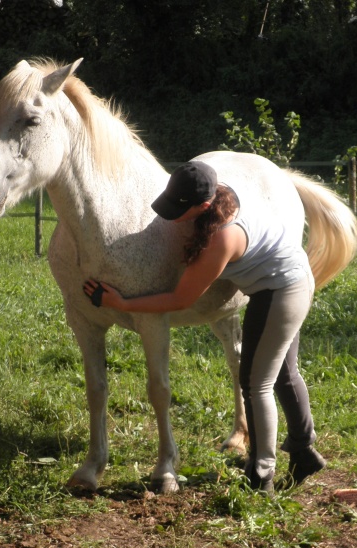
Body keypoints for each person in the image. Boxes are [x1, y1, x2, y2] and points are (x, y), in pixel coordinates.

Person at [83, 160, 325, 493]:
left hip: (281, 292)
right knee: (283, 373)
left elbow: (179, 299)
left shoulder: (222, 238)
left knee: (256, 384)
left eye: (179, 210)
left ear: (204, 206)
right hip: (293, 276)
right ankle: (304, 450)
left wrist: (122, 304)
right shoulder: (222, 192)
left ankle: (261, 473)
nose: (170, 215)